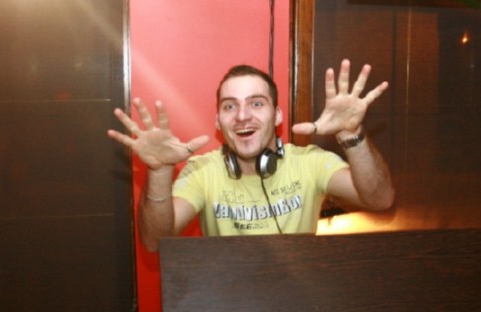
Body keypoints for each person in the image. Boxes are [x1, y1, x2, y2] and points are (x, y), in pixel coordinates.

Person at [108, 59, 394, 251]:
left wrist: (351, 134)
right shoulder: (202, 170)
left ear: (277, 115)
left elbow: (380, 200)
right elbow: (155, 241)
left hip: (299, 298)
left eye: (256, 103)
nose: (242, 116)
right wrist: (159, 171)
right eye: (230, 106)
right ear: (218, 121)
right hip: (228, 301)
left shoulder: (310, 161)